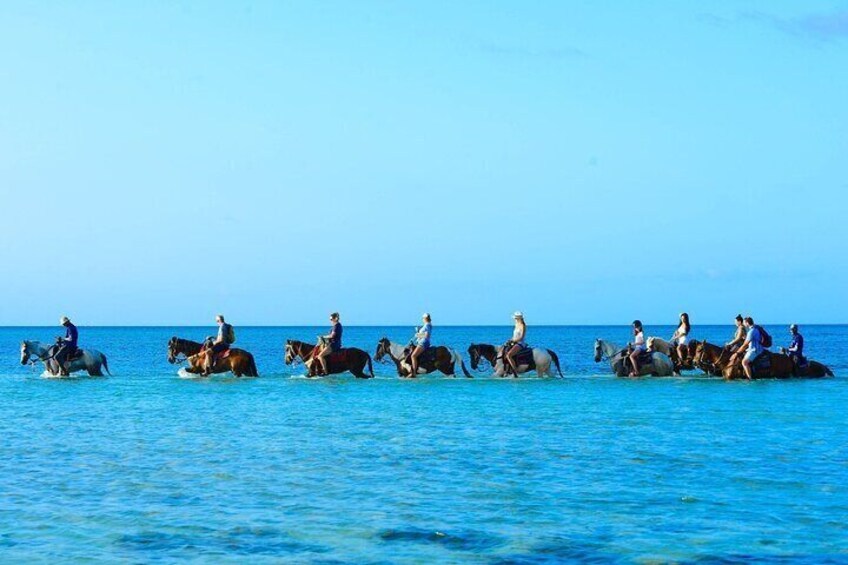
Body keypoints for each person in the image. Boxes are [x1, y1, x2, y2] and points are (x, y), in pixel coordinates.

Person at [505, 311, 527, 376]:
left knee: (509, 355)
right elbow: (514, 336)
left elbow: (521, 337)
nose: (515, 319)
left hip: (520, 343)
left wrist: (514, 341)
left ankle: (515, 372)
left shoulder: (523, 325)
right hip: (514, 342)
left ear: (518, 318)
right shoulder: (516, 325)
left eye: (515, 318)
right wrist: (510, 340)